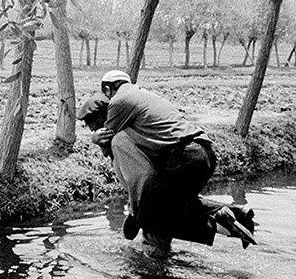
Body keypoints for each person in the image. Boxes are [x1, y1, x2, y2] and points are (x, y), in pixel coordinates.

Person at [82, 70, 256, 255]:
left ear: (108, 90)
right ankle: (233, 213)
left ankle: (216, 224)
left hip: (185, 158)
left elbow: (137, 172)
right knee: (177, 205)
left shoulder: (119, 109)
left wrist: (136, 210)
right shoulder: (145, 101)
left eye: (93, 125)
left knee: (147, 218)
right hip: (204, 153)